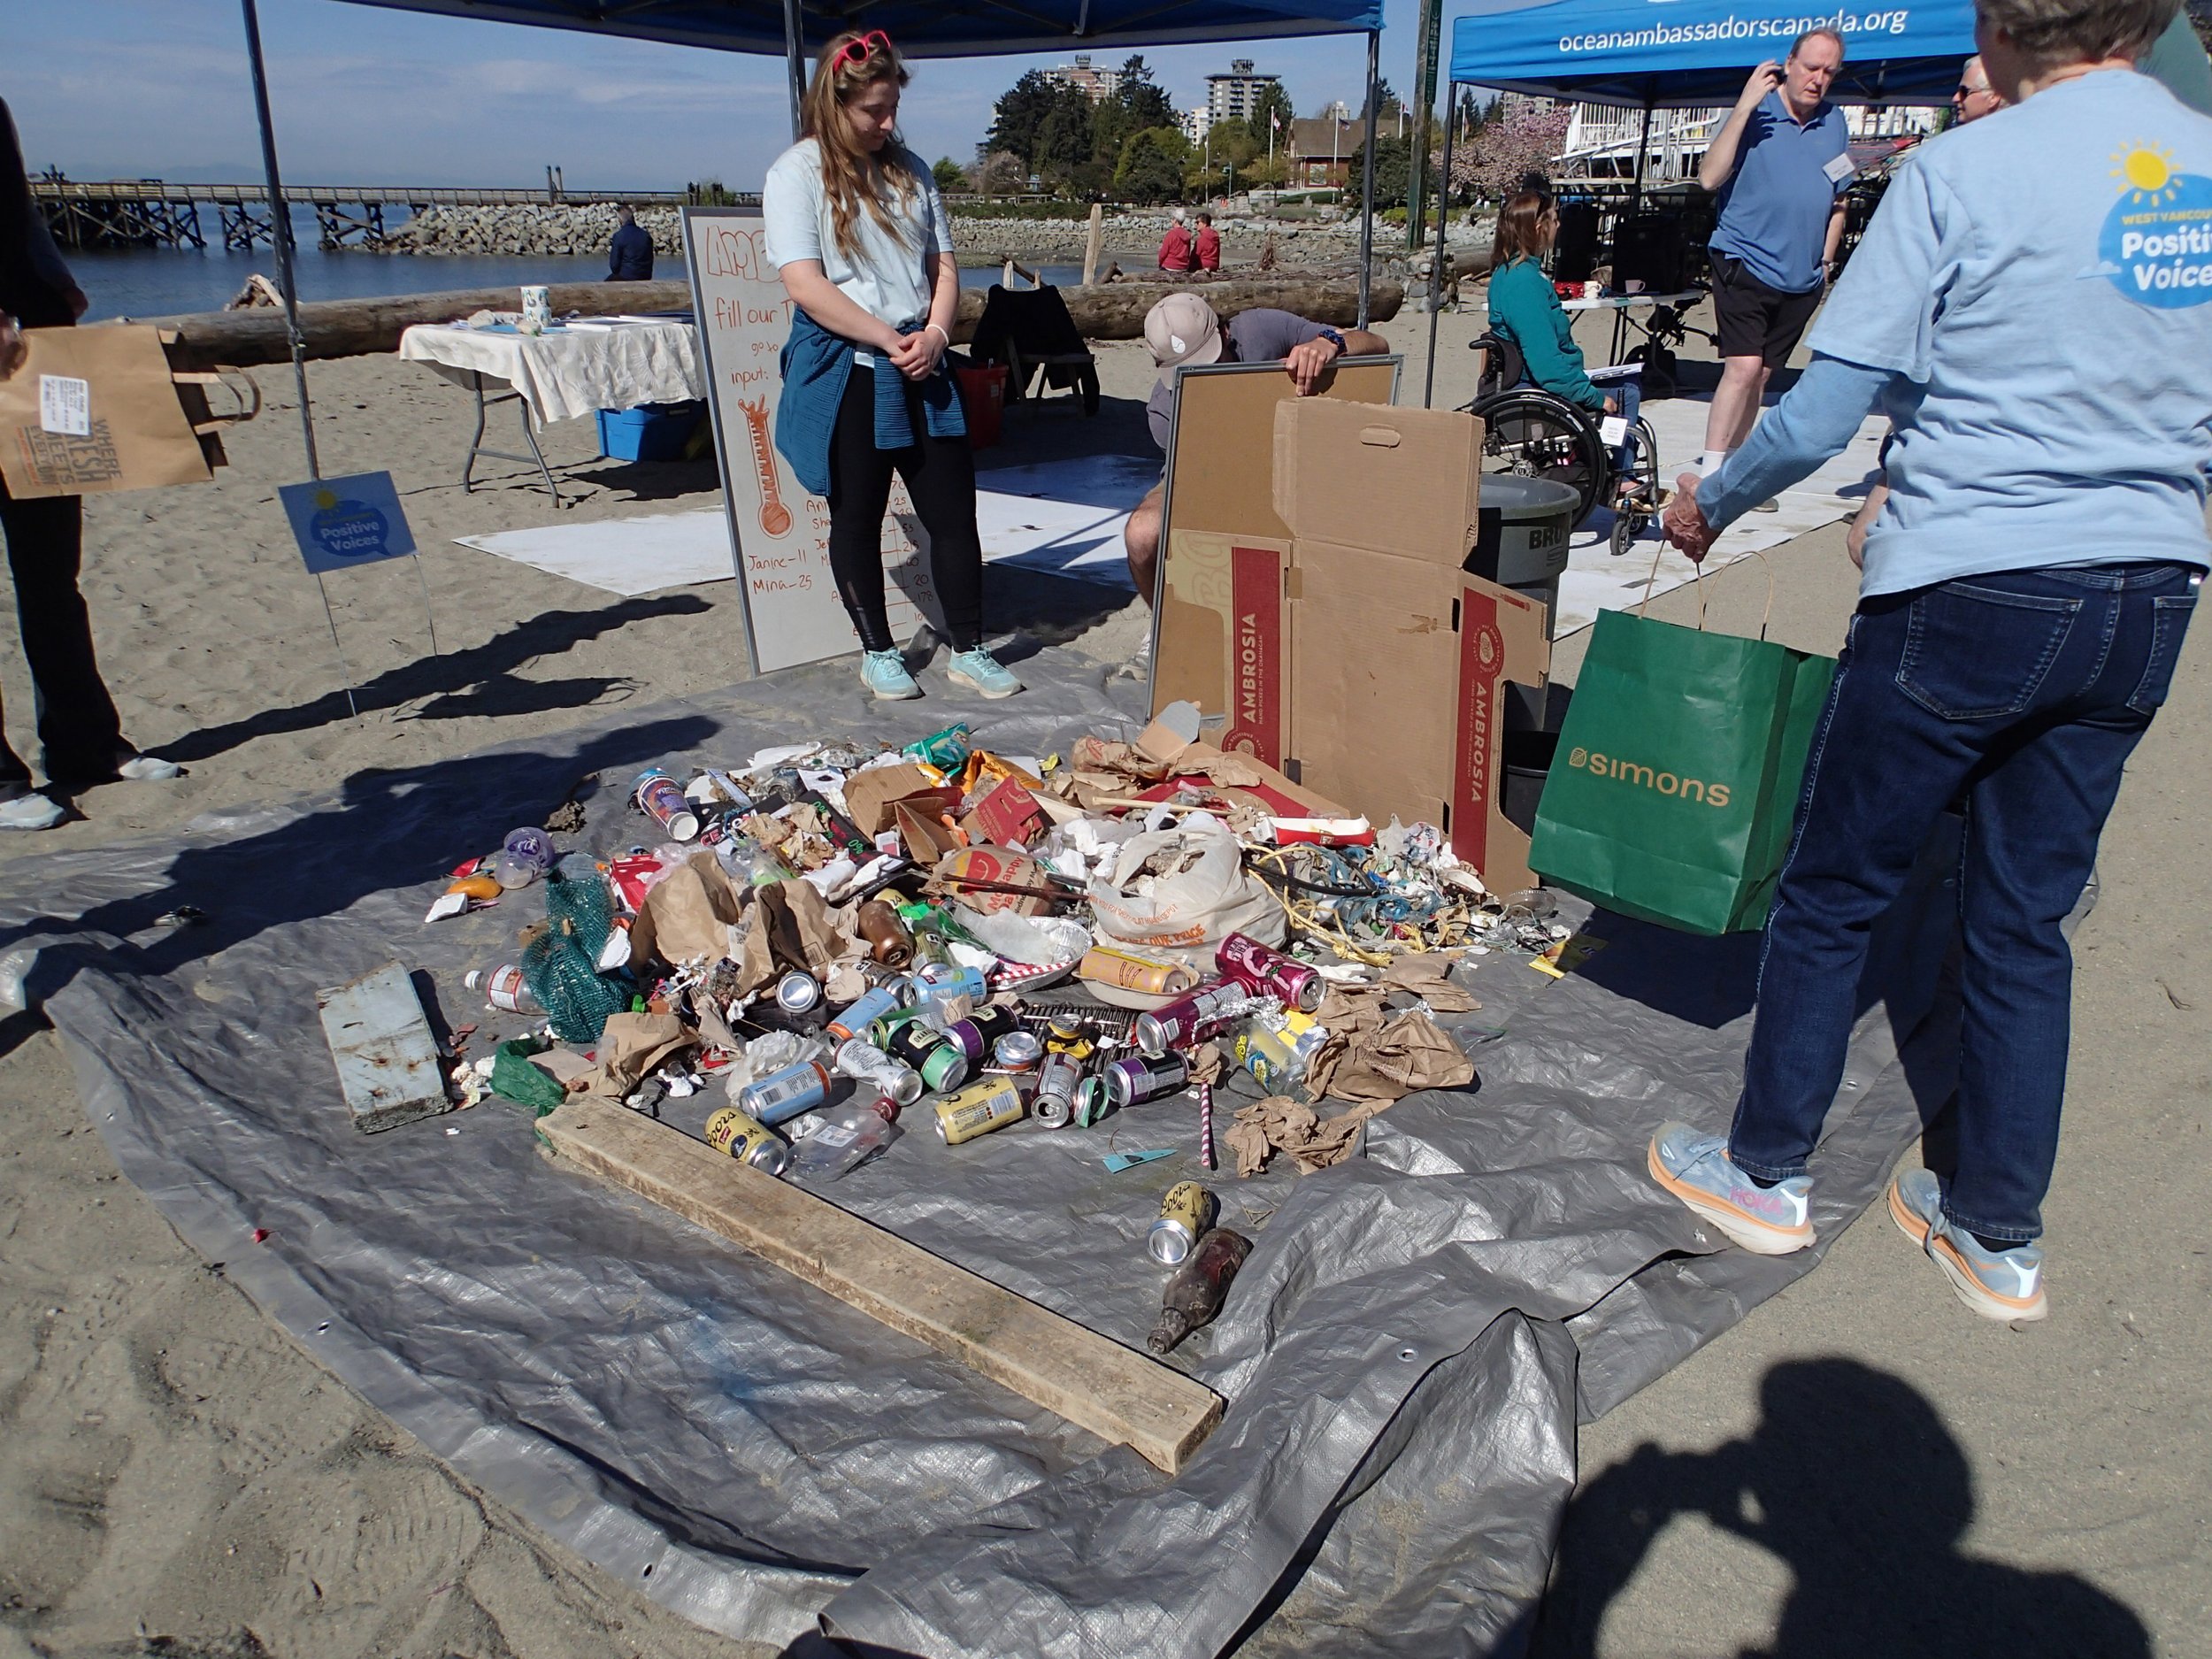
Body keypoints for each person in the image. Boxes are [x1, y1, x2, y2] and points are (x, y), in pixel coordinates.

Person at [1647, 0, 2210, 1325]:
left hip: (1974, 582)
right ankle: (1996, 1230)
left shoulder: (1964, 172)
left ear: (2003, 29)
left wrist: (1715, 497)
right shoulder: (2199, 161)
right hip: (2147, 593)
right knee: (2026, 917)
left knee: (1837, 882)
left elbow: (1826, 405)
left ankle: (1767, 1165)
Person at [764, 29, 1022, 700]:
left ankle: (969, 645)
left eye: (891, 108)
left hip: (923, 362)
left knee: (953, 513)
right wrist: (883, 337)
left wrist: (937, 332)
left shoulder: (912, 170)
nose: (887, 123)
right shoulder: (795, 173)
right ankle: (877, 650)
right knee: (857, 515)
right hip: (852, 367)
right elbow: (805, 283)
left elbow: (943, 264)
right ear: (836, 103)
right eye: (873, 111)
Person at [0, 97, 179, 831]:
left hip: (35, 351)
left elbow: (15, 208)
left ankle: (85, 743)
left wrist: (50, 279)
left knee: (51, 572)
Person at [1119, 292, 1387, 608]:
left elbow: (1377, 345)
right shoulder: (1163, 411)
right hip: (1207, 477)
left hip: (1294, 457)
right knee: (1140, 534)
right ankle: (1166, 623)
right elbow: (1207, 487)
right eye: (1185, 371)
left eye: (1208, 361)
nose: (1201, 377)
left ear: (1224, 332)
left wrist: (1329, 343)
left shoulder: (1261, 328)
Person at [1844, 53, 2008, 566]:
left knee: (1877, 546)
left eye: (1966, 91)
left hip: (1962, 418)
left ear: (1997, 94)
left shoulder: (1954, 171)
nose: (1954, 99)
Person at [1696, 28, 1852, 504]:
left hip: (1801, 273)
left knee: (1763, 377)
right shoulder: (1756, 112)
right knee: (1742, 369)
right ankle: (1709, 474)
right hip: (1743, 257)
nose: (1818, 79)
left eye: (1829, 71)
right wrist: (1744, 105)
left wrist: (1826, 258)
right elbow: (1708, 178)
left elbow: (1839, 197)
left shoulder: (1835, 122)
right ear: (1789, 62)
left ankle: (1739, 470)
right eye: (1811, 67)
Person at [1485, 189, 1655, 504]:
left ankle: (1614, 476)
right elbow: (1547, 365)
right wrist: (1592, 397)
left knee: (1621, 382)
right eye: (1554, 218)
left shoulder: (1511, 274)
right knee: (1626, 391)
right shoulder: (1525, 283)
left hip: (1530, 379)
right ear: (1538, 227)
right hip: (1534, 388)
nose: (1559, 225)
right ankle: (1621, 480)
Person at [605, 204, 653, 281]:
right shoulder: (646, 236)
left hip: (627, 276)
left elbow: (614, 266)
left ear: (620, 221)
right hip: (645, 276)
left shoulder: (619, 236)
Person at [1157, 207, 1194, 273]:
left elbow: (1163, 253)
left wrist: (1160, 263)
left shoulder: (1171, 234)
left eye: (1172, 218)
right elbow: (1187, 252)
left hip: (1170, 266)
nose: (1171, 220)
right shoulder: (1187, 234)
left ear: (1175, 220)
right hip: (1183, 266)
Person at [1193, 210, 1221, 274]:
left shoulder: (1203, 237)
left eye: (1197, 222)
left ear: (1204, 224)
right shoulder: (1215, 235)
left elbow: (1195, 255)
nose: (1196, 225)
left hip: (1203, 264)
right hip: (1215, 264)